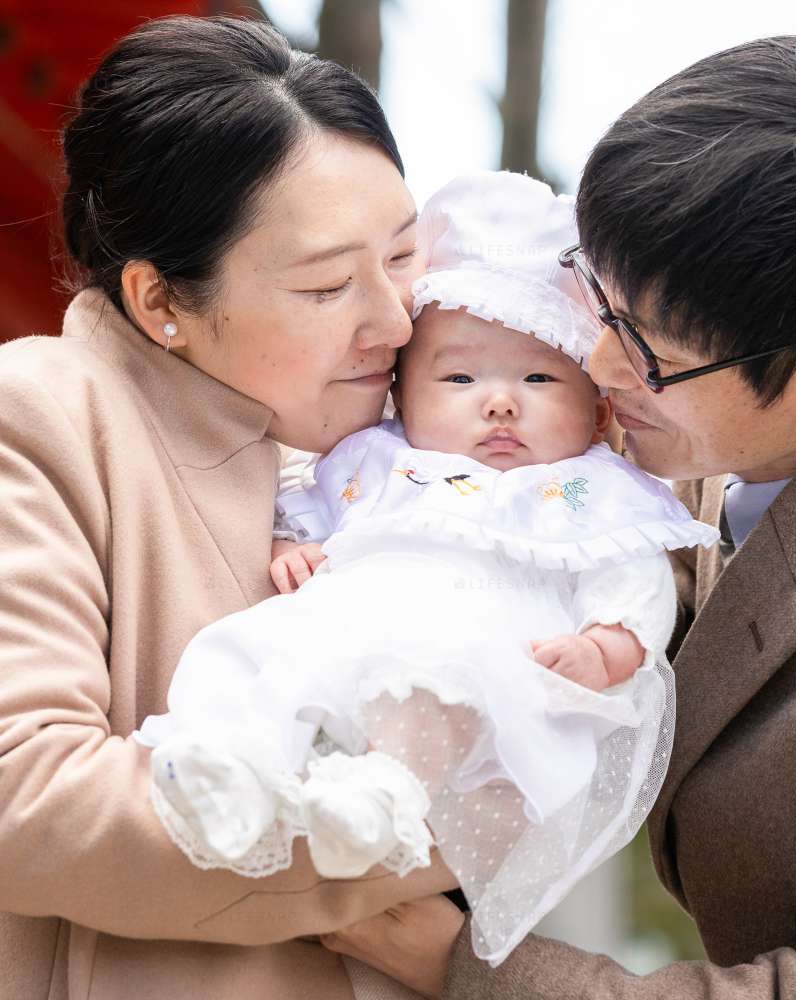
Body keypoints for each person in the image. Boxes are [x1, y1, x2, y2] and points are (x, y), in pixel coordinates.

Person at [321, 36, 796, 999]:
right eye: (597, 298)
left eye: (646, 346)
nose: (595, 364)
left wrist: (465, 967)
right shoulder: (700, 428)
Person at [135, 170, 719, 967]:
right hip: (345, 629)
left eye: (540, 378)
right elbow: (302, 513)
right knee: (256, 650)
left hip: (484, 665)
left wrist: (607, 645)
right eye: (460, 378)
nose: (500, 402)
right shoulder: (377, 460)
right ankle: (227, 764)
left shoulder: (590, 490)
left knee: (435, 684)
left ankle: (383, 796)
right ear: (404, 400)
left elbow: (632, 585)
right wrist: (290, 548)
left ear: (599, 408)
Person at [0, 15, 455, 1000]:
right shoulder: (41, 414)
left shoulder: (435, 437)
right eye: (329, 283)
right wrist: (423, 835)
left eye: (406, 255)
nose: (393, 316)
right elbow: (29, 799)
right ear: (162, 301)